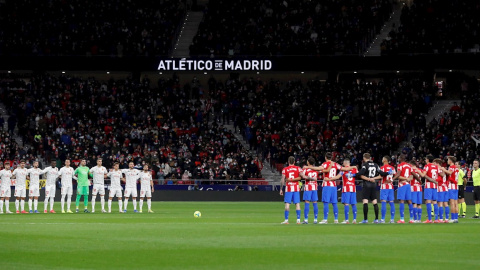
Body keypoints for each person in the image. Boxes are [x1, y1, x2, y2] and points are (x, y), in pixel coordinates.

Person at [357, 153, 389, 224]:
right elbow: (382, 173)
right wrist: (388, 173)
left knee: (365, 201)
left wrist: (354, 174)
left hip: (366, 184)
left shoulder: (365, 165)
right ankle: (376, 219)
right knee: (374, 201)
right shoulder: (376, 165)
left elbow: (360, 173)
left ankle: (365, 219)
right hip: (373, 184)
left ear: (364, 158)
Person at [329, 159, 358, 224]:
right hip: (353, 188)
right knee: (353, 204)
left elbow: (337, 177)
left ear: (344, 164)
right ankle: (354, 220)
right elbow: (358, 174)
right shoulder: (354, 169)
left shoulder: (343, 170)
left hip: (346, 188)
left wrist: (329, 179)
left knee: (346, 204)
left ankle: (346, 220)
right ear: (349, 163)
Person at [279, 156, 303, 224]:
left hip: (288, 189)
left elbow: (283, 179)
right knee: (297, 204)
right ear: (294, 162)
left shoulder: (285, 169)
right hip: (296, 188)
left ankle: (286, 220)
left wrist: (281, 189)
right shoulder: (298, 168)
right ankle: (298, 220)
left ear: (288, 162)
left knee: (287, 205)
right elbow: (301, 177)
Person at [393, 155, 414, 223]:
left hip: (402, 185)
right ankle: (411, 219)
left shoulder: (400, 165)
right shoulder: (409, 166)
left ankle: (402, 219)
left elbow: (398, 175)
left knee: (401, 201)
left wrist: (392, 179)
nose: (398, 159)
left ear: (401, 159)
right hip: (408, 185)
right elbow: (411, 176)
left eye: (399, 158)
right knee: (409, 201)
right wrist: (408, 179)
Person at [300, 157, 319, 224]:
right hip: (314, 188)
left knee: (307, 203)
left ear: (308, 162)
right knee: (315, 203)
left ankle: (306, 219)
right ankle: (315, 219)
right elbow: (316, 178)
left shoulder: (306, 169)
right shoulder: (316, 169)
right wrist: (313, 179)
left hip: (308, 187)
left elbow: (303, 176)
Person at [421, 155, 439, 223]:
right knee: (434, 202)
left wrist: (418, 171)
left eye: (426, 159)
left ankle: (429, 219)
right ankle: (436, 219)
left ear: (428, 160)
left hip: (428, 186)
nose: (425, 160)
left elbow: (423, 175)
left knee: (428, 202)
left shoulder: (427, 166)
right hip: (434, 185)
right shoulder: (436, 167)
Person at [379, 156, 396, 223]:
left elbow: (380, 176)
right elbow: (396, 175)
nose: (382, 159)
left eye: (383, 158)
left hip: (384, 186)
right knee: (391, 202)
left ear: (385, 160)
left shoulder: (382, 168)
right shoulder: (392, 168)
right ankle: (392, 219)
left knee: (383, 202)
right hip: (391, 187)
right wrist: (391, 180)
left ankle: (383, 219)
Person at [442, 156, 459, 223]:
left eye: (448, 160)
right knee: (455, 203)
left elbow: (450, 173)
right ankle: (456, 218)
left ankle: (452, 218)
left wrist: (443, 169)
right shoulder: (456, 168)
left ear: (451, 161)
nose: (447, 161)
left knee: (452, 203)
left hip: (451, 186)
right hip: (456, 186)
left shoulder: (451, 167)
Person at [434, 158, 448, 223]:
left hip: (440, 188)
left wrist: (433, 180)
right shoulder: (443, 169)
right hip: (445, 188)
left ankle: (441, 219)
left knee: (440, 204)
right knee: (445, 204)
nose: (433, 165)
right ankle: (447, 218)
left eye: (434, 163)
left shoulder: (439, 169)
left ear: (437, 163)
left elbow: (439, 179)